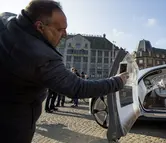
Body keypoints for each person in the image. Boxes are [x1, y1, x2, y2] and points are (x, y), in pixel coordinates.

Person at [0, 0, 129, 143]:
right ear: (40, 27)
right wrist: (118, 81)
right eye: (60, 29)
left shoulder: (6, 19)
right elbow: (78, 87)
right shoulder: (40, 56)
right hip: (12, 125)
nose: (65, 35)